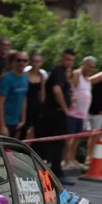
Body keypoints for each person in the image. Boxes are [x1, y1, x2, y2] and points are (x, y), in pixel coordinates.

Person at [42, 48, 76, 182]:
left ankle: (53, 171)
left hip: (56, 112)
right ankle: (56, 173)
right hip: (55, 112)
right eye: (67, 59)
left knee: (56, 143)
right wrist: (65, 108)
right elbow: (56, 90)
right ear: (62, 58)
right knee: (57, 143)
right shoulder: (58, 71)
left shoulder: (62, 72)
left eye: (72, 60)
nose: (69, 62)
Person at [65, 55, 96, 169]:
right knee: (69, 137)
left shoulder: (88, 79)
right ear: (82, 64)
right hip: (73, 112)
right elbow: (70, 87)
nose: (90, 69)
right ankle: (66, 159)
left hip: (82, 114)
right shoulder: (77, 74)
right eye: (88, 66)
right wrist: (72, 96)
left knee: (77, 138)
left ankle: (71, 158)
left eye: (92, 67)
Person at [0, 50, 29, 138]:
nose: (21, 63)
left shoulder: (25, 78)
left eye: (24, 61)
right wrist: (2, 126)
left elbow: (24, 98)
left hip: (16, 121)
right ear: (14, 61)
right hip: (5, 121)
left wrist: (23, 119)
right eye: (19, 60)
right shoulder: (6, 78)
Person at [24, 52, 46, 140]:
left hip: (36, 105)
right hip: (25, 104)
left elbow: (42, 92)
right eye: (33, 61)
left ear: (41, 63)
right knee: (24, 128)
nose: (35, 64)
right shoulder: (25, 74)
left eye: (37, 61)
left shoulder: (41, 75)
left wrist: (43, 107)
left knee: (38, 130)